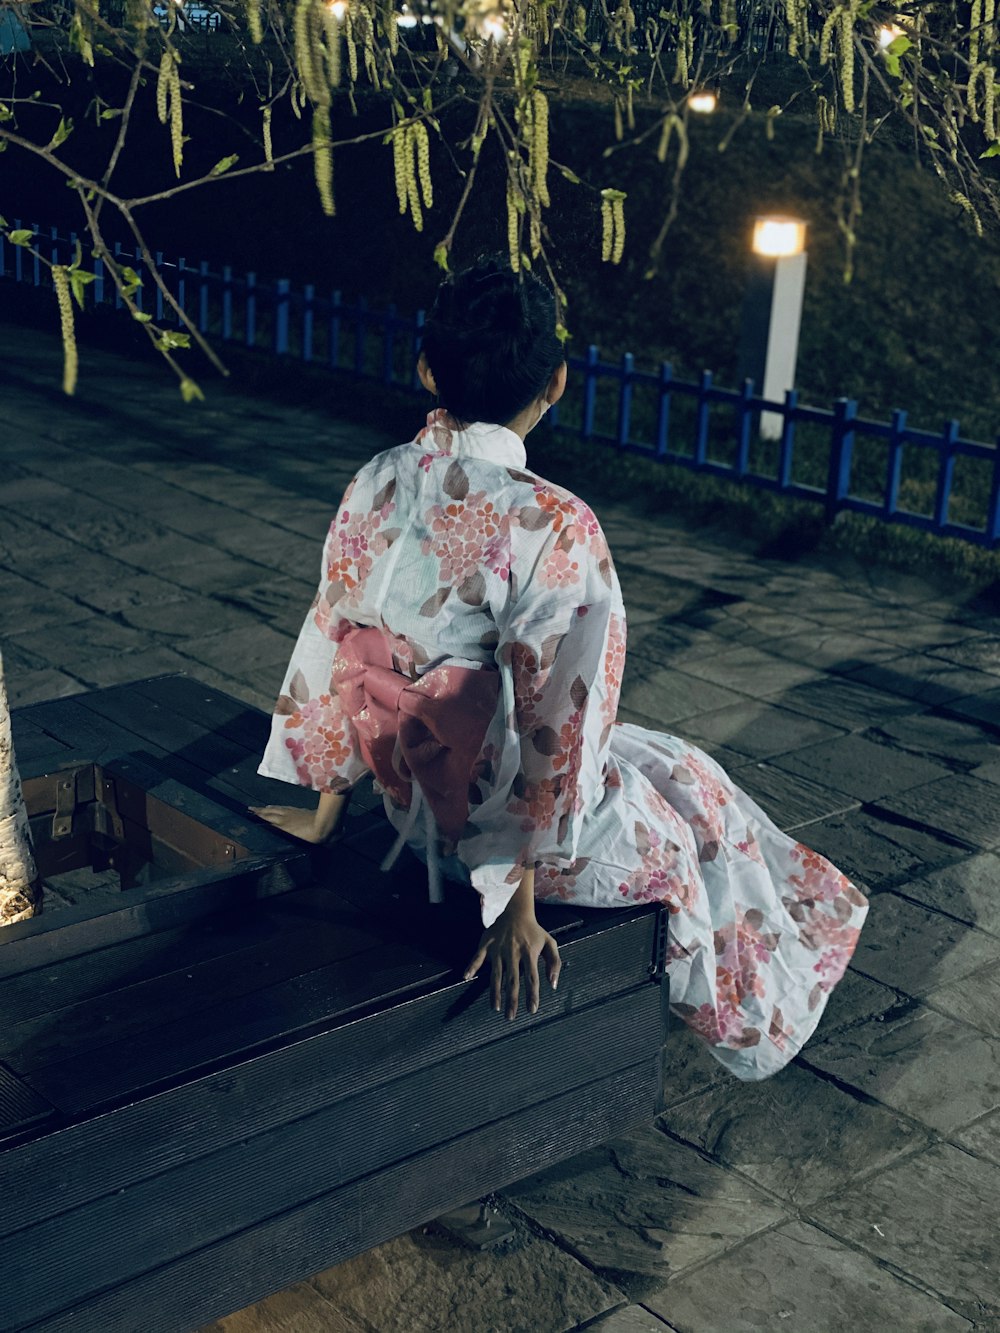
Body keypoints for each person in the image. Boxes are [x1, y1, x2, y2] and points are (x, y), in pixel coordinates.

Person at [252, 257, 868, 1080]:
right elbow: (558, 718)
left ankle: (785, 970)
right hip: (493, 839)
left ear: (427, 366)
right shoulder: (551, 522)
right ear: (558, 380)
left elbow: (333, 635)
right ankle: (764, 1017)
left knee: (682, 766)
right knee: (696, 841)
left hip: (419, 805)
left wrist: (325, 809)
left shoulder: (378, 480)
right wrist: (517, 902)